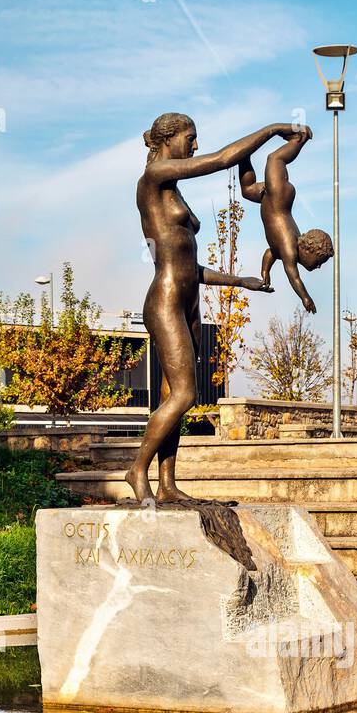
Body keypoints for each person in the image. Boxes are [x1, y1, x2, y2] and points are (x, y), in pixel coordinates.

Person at [125, 113, 298, 505]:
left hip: (187, 299)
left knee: (176, 394)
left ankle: (167, 484)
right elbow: (222, 159)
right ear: (168, 140)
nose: (195, 146)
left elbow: (191, 267)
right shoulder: (153, 179)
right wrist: (270, 130)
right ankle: (137, 469)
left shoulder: (173, 189)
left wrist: (241, 281)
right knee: (185, 394)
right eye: (191, 138)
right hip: (165, 299)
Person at [238, 127, 334, 315]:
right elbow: (293, 276)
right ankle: (301, 138)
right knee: (275, 159)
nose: (318, 266)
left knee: (247, 189)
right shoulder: (290, 249)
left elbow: (270, 252)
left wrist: (265, 272)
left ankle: (244, 157)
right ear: (309, 250)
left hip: (270, 199)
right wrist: (305, 298)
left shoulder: (283, 248)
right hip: (278, 197)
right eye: (318, 261)